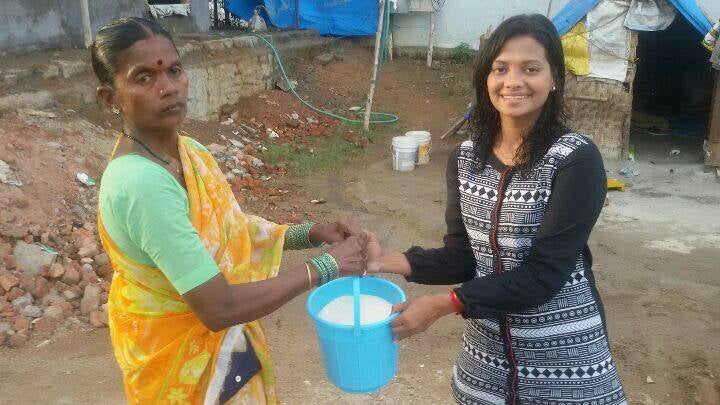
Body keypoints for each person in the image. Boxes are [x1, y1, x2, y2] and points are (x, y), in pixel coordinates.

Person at [92, 17, 368, 404]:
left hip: (224, 356)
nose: (168, 87)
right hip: (180, 365)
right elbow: (217, 307)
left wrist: (311, 232)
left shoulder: (189, 152)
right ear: (110, 98)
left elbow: (233, 229)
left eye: (174, 70)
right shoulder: (139, 183)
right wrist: (324, 268)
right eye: (143, 78)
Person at [366, 14, 627, 405]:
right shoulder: (467, 157)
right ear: (485, 78)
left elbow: (543, 275)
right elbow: (462, 255)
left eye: (531, 69)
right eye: (500, 68)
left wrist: (443, 305)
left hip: (563, 359)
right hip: (485, 362)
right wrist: (382, 262)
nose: (513, 81)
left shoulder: (575, 158)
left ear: (554, 78)